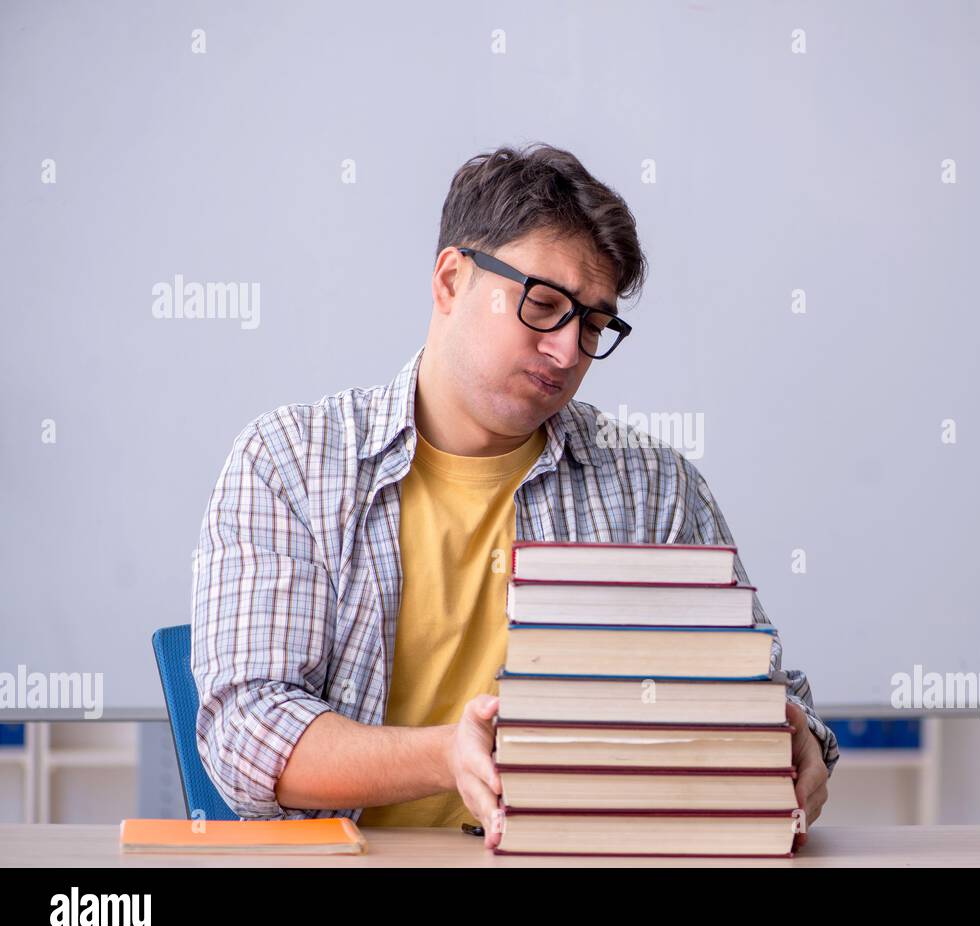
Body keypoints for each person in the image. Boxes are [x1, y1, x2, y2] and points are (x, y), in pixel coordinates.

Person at [191, 142, 838, 849]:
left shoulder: (656, 486)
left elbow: (768, 691)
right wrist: (445, 754)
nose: (567, 353)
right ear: (450, 281)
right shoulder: (291, 463)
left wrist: (795, 739)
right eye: (545, 304)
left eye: (593, 325)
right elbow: (244, 734)